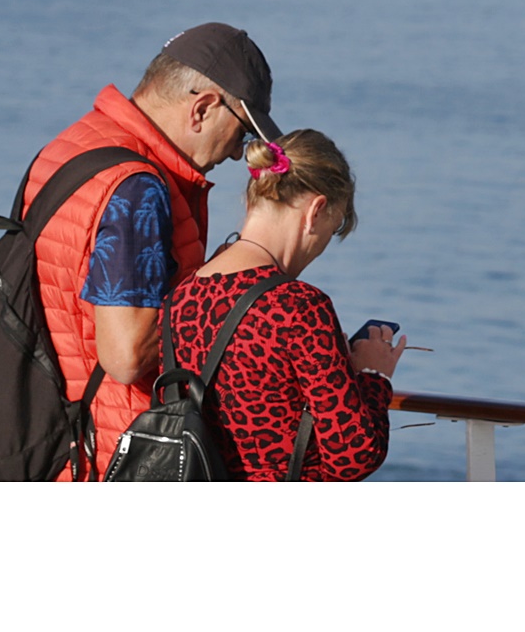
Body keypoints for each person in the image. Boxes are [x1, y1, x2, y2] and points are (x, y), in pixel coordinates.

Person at [24, 22, 281, 479]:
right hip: (111, 454)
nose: (236, 154)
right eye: (242, 133)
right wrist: (225, 284)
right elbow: (124, 358)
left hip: (44, 434)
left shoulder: (72, 145)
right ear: (203, 108)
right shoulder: (137, 188)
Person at [163, 128, 407, 480]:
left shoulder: (182, 296)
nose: (323, 245)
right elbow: (353, 457)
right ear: (316, 211)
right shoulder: (299, 307)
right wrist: (373, 376)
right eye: (334, 227)